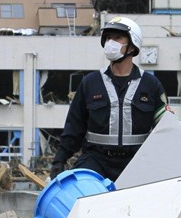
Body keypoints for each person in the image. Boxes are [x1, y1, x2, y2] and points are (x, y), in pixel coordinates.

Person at [51, 17, 169, 181]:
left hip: (137, 161)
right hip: (96, 160)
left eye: (117, 38)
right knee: (80, 193)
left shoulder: (151, 85)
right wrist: (59, 160)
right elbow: (74, 128)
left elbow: (166, 129)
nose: (110, 42)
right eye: (107, 38)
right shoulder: (90, 83)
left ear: (133, 44)